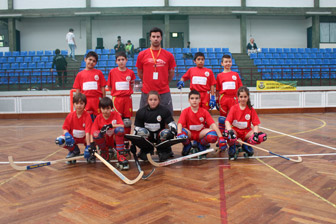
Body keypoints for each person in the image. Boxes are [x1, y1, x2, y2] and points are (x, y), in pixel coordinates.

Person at [136, 27, 176, 115]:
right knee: (143, 116)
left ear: (161, 38)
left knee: (167, 117)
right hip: (147, 91)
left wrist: (164, 82)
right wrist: (147, 81)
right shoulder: (142, 55)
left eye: (158, 37)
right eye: (153, 37)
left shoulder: (169, 55)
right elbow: (139, 72)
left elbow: (171, 73)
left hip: (163, 91)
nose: (156, 39)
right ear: (150, 38)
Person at [177, 90, 226, 156]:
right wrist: (179, 133)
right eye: (192, 98)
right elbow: (179, 124)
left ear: (200, 100)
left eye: (197, 98)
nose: (194, 100)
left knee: (213, 135)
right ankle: (187, 145)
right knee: (181, 132)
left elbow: (213, 124)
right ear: (189, 100)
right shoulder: (185, 111)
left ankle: (201, 144)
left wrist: (221, 138)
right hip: (189, 134)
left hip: (200, 134)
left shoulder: (204, 112)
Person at [134, 90, 177, 162]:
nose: (153, 102)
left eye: (155, 99)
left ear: (159, 100)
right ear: (147, 100)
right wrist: (133, 142)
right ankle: (145, 150)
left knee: (166, 133)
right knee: (141, 132)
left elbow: (172, 124)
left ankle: (164, 150)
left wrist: (175, 133)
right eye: (151, 99)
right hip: (148, 137)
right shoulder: (141, 112)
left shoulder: (165, 111)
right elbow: (137, 128)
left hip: (160, 136)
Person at [225, 86, 267, 159]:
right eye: (241, 97)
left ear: (248, 97)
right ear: (238, 97)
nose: (243, 99)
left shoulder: (251, 110)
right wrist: (230, 131)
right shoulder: (234, 108)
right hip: (235, 131)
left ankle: (246, 145)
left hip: (246, 132)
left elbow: (256, 124)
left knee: (261, 136)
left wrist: (255, 134)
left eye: (245, 96)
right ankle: (232, 146)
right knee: (227, 134)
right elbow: (227, 121)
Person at [107, 51, 136, 149]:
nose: (121, 62)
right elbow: (110, 86)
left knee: (127, 121)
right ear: (116, 61)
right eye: (119, 60)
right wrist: (117, 94)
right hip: (117, 100)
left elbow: (132, 85)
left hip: (127, 100)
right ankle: (116, 142)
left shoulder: (130, 73)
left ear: (126, 60)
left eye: (123, 59)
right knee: (116, 121)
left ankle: (126, 141)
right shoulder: (112, 72)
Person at [91, 97, 128, 169]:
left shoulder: (116, 114)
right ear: (100, 109)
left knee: (120, 130)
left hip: (114, 140)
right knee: (96, 134)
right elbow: (93, 132)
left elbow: (122, 126)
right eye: (103, 109)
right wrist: (92, 145)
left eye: (108, 108)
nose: (105, 111)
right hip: (104, 141)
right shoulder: (98, 118)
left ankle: (120, 154)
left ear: (111, 108)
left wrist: (111, 125)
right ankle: (104, 152)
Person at [55, 93, 92, 162]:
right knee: (59, 141)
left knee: (93, 137)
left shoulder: (87, 116)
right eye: (77, 103)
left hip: (84, 139)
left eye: (81, 103)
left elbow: (88, 133)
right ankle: (74, 151)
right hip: (73, 138)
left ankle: (91, 152)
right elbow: (65, 128)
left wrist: (88, 147)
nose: (79, 106)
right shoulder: (70, 115)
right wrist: (67, 134)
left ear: (85, 104)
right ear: (73, 104)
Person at [73, 51, 106, 121]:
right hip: (85, 101)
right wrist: (78, 101)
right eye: (90, 59)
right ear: (85, 59)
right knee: (86, 120)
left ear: (96, 63)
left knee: (99, 120)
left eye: (94, 61)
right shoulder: (80, 74)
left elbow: (102, 88)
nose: (91, 62)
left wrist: (103, 100)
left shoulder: (99, 73)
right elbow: (78, 90)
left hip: (97, 100)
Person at [216, 54, 243, 134]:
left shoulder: (235, 74)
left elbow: (240, 89)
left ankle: (234, 137)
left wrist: (240, 100)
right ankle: (222, 138)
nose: (228, 63)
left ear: (232, 63)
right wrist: (217, 101)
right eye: (226, 62)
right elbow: (217, 90)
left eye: (229, 61)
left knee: (234, 118)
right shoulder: (219, 76)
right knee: (222, 119)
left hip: (234, 98)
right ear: (222, 63)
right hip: (223, 99)